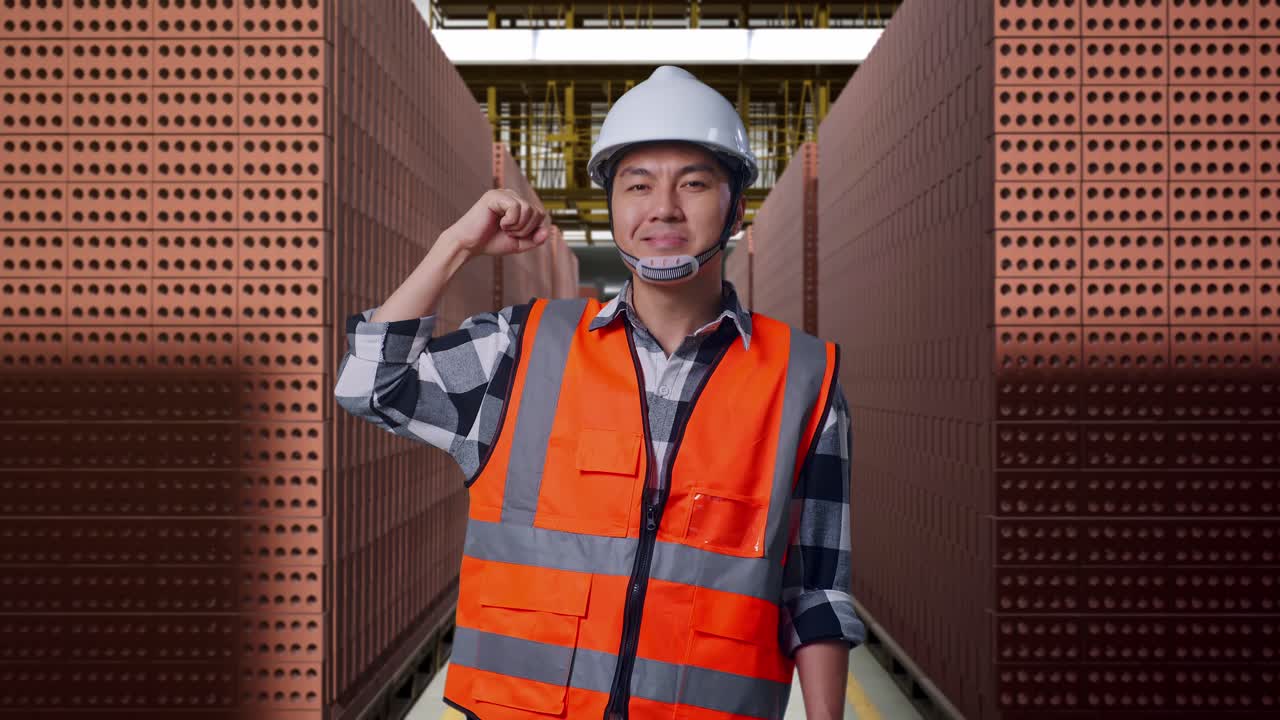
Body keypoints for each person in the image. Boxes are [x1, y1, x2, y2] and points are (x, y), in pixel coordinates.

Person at [334, 65, 865, 720]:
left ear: (735, 207)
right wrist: (454, 248)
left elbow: (815, 592)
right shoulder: (519, 350)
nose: (664, 207)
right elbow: (367, 386)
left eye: (694, 184)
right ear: (613, 204)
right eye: (637, 185)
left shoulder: (804, 380)